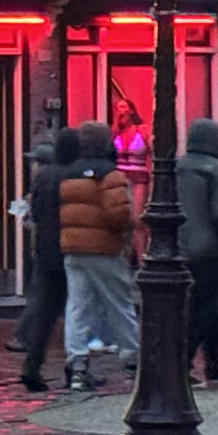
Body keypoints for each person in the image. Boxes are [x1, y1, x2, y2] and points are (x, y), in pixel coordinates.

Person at [59, 120, 139, 389]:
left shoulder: (68, 175)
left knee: (77, 306)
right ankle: (132, 361)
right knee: (120, 304)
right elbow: (119, 214)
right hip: (105, 249)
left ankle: (77, 365)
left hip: (73, 248)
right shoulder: (111, 175)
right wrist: (130, 226)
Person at [175, 117, 218, 384]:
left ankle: (215, 363)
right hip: (209, 250)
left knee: (205, 308)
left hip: (178, 248)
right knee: (203, 308)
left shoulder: (176, 168)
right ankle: (182, 363)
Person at [15, 129, 78, 392]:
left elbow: (36, 212)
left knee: (46, 312)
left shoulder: (44, 176)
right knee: (77, 312)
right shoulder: (74, 175)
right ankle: (76, 369)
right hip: (71, 250)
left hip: (45, 250)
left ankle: (32, 365)